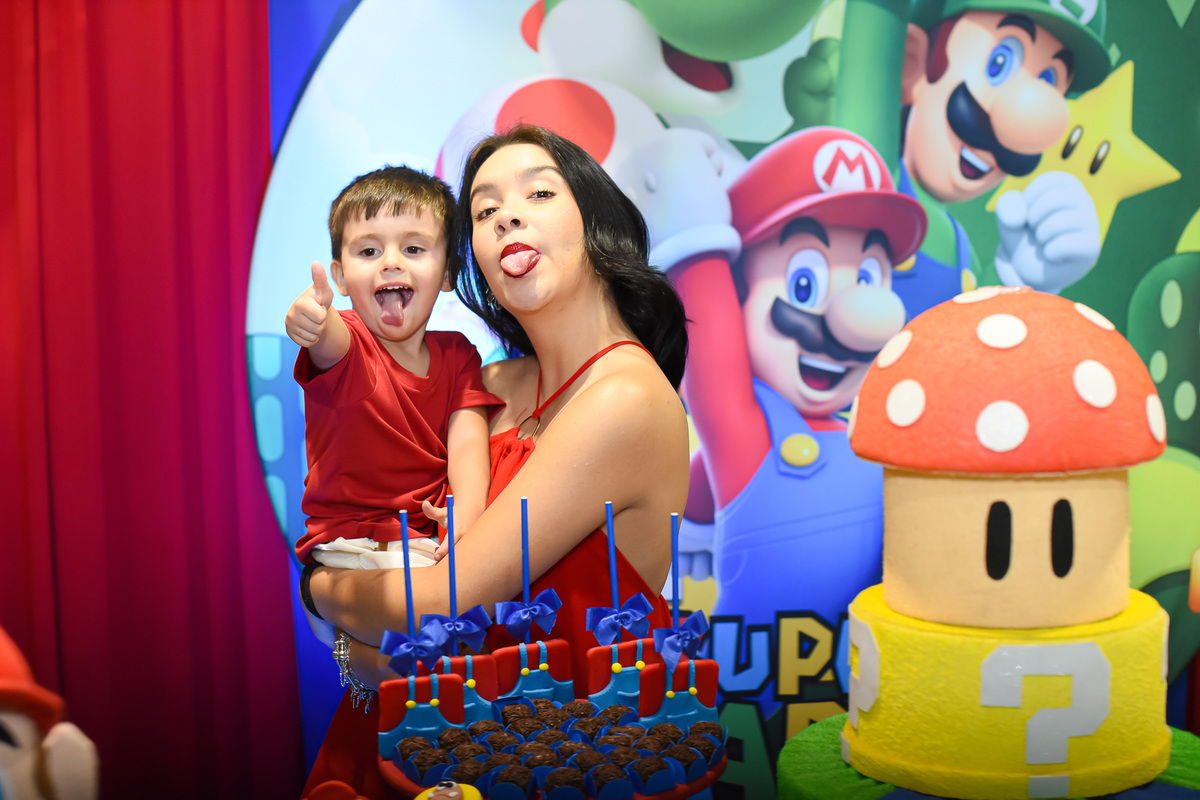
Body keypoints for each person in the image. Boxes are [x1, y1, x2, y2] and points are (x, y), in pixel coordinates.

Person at [299, 126, 690, 799]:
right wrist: (353, 652)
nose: (507, 215)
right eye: (484, 210)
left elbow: (441, 605)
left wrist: (316, 590)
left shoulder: (623, 398)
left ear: (596, 220)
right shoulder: (487, 385)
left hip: (541, 764)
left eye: (539, 193)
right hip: (411, 736)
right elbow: (375, 515)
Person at [285, 166, 501, 644]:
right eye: (368, 251)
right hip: (350, 550)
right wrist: (311, 319)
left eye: (414, 249)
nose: (390, 263)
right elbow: (329, 338)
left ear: (448, 273)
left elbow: (468, 440)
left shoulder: (459, 354)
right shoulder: (350, 342)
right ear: (340, 276)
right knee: (447, 631)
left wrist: (468, 511)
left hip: (425, 546)